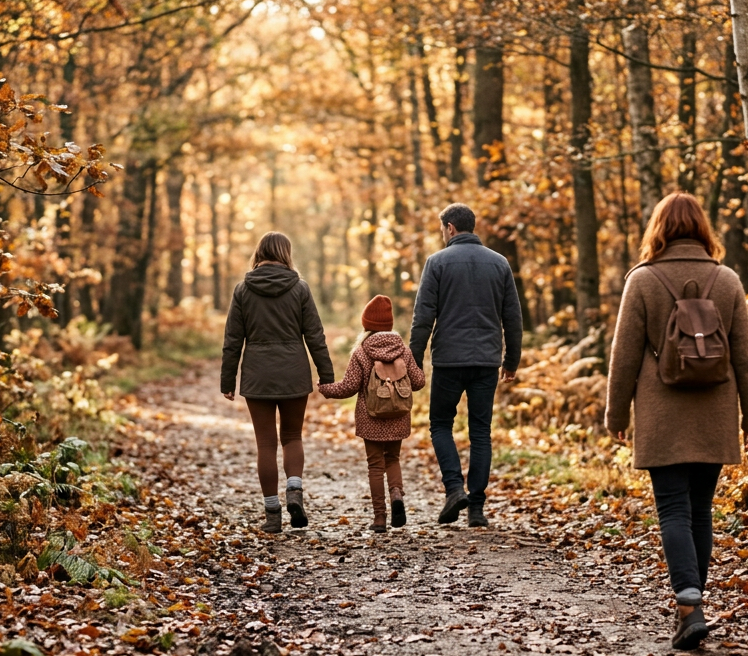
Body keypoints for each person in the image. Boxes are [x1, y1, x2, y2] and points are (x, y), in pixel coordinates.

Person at [604, 193, 748, 651]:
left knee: (673, 508)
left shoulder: (643, 281)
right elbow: (747, 359)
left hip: (662, 414)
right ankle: (693, 603)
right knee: (700, 509)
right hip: (715, 412)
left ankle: (689, 606)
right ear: (702, 228)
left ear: (659, 229)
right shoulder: (728, 279)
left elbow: (625, 356)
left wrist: (616, 415)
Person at [410, 203, 523, 528]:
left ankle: (454, 488)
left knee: (441, 425)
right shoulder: (499, 263)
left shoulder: (437, 262)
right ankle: (476, 508)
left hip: (448, 360)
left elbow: (423, 317)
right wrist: (511, 360)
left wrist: (413, 361)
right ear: (471, 227)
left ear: (449, 227)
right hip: (487, 361)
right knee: (480, 432)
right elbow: (512, 318)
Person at [221, 232, 335, 534]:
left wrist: (227, 380)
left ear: (259, 253)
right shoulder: (300, 288)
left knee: (266, 444)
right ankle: (294, 491)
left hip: (258, 374)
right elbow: (315, 335)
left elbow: (232, 339)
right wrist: (326, 375)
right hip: (293, 372)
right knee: (292, 437)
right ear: (286, 253)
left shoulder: (243, 290)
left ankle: (272, 514)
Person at [318, 295, 427, 533]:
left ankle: (379, 519)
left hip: (371, 416)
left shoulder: (361, 352)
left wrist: (325, 389)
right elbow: (418, 382)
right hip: (398, 415)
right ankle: (397, 493)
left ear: (366, 324)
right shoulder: (404, 351)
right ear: (389, 324)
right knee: (393, 459)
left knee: (375, 466)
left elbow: (348, 387)